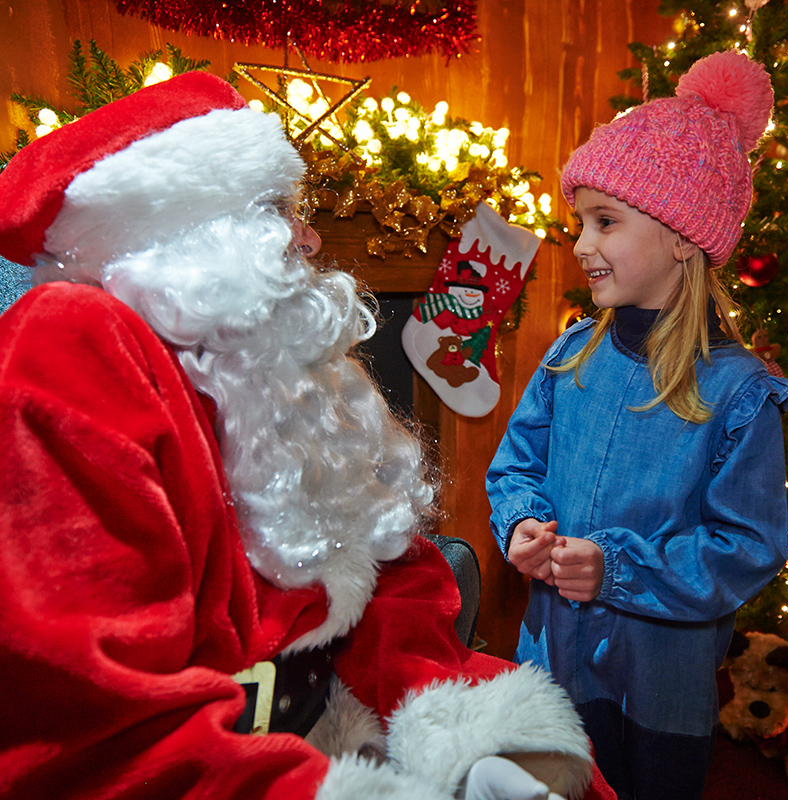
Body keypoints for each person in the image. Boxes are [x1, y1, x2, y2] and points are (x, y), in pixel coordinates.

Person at [0, 72, 615, 800]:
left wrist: (473, 743)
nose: (312, 239)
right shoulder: (73, 345)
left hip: (334, 729)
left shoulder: (277, 376)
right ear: (180, 239)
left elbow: (395, 581)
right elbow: (92, 726)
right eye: (277, 212)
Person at [486, 50, 788, 800]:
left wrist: (618, 569)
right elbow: (515, 467)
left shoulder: (738, 393)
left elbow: (744, 549)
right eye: (579, 222)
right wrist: (523, 522)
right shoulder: (570, 356)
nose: (582, 243)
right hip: (552, 659)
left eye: (605, 222)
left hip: (658, 688)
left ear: (683, 236)